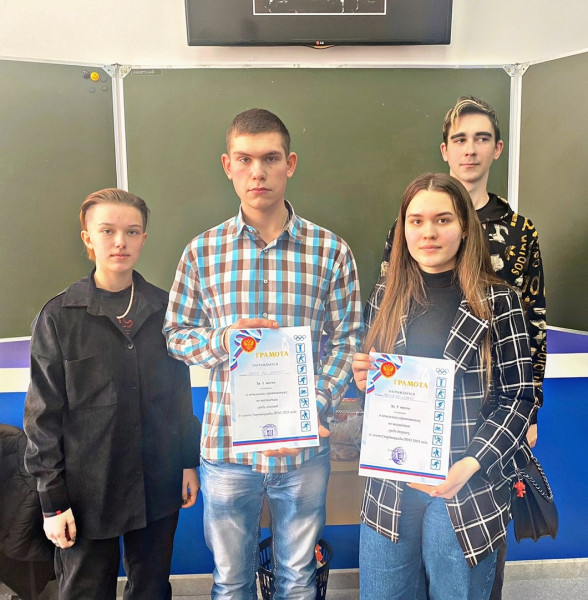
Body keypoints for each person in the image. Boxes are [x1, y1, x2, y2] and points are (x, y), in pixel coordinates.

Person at [164, 108, 362, 599]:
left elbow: (348, 340)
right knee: (231, 582)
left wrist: (313, 405)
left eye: (271, 158)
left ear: (289, 164)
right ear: (227, 165)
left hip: (303, 451)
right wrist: (223, 340)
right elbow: (175, 334)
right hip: (227, 449)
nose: (258, 172)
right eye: (245, 159)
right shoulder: (201, 252)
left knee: (297, 580)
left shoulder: (331, 251)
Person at [375, 97, 547, 598]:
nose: (428, 232)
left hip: (472, 459)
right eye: (416, 222)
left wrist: (493, 447)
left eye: (443, 220)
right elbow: (381, 368)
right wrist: (368, 377)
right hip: (396, 471)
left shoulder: (506, 277)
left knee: (463, 583)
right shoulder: (386, 294)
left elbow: (522, 371)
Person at [24, 188, 200, 600]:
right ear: (88, 238)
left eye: (132, 231)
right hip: (87, 489)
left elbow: (179, 396)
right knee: (84, 590)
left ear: (144, 238)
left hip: (157, 479)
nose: (120, 241)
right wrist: (52, 500)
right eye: (107, 231)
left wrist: (187, 462)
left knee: (152, 587)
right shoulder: (59, 317)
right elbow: (42, 417)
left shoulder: (165, 310)